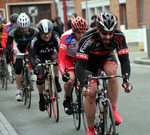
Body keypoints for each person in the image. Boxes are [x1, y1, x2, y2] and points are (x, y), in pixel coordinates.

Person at [76, 12, 132, 135]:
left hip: (106, 58)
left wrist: (126, 80)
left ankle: (113, 109)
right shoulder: (88, 37)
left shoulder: (119, 36)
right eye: (104, 33)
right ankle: (90, 130)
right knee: (91, 93)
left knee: (112, 73)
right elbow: (80, 64)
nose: (108, 37)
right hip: (89, 62)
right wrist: (83, 84)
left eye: (110, 33)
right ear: (97, 29)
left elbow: (124, 60)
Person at [28, 19, 62, 111]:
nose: (47, 35)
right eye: (44, 33)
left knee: (56, 60)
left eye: (48, 33)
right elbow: (31, 55)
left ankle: (56, 79)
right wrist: (34, 67)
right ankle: (41, 97)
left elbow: (60, 51)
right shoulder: (35, 38)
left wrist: (62, 63)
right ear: (40, 32)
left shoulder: (55, 36)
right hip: (39, 56)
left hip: (51, 53)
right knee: (40, 77)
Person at [58, 16, 89, 115]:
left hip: (81, 58)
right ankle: (67, 99)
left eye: (83, 32)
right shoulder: (66, 36)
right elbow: (61, 58)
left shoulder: (88, 36)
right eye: (79, 33)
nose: (81, 35)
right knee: (70, 80)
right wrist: (63, 73)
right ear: (73, 31)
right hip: (68, 59)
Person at [6, 13, 39, 101]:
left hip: (29, 44)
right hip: (18, 46)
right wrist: (13, 50)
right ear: (18, 27)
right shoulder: (14, 30)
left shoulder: (34, 29)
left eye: (26, 28)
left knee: (33, 55)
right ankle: (19, 91)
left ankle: (32, 72)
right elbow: (8, 44)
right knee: (18, 66)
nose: (24, 30)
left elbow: (39, 41)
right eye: (22, 28)